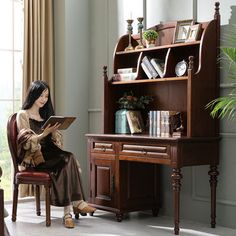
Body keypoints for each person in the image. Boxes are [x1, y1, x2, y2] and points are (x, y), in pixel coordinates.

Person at [16, 80, 96, 228]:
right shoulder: (23, 114)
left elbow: (56, 141)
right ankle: (75, 205)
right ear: (33, 95)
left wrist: (53, 133)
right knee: (69, 160)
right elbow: (25, 141)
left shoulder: (45, 115)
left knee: (69, 158)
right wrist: (43, 133)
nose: (43, 99)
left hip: (52, 153)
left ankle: (68, 213)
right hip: (36, 157)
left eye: (46, 96)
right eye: (41, 96)